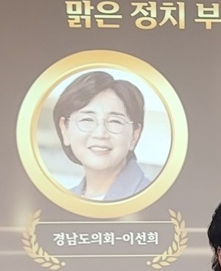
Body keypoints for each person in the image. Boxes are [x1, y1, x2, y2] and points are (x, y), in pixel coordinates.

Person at [53, 71, 151, 200]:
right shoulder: (61, 201)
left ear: (134, 135)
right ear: (65, 130)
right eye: (87, 119)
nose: (100, 134)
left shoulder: (152, 199)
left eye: (115, 121)